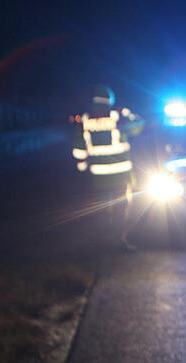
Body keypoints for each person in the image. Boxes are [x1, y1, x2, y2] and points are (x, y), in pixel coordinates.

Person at [72, 84, 144, 250]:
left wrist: (82, 164)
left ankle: (101, 242)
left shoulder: (85, 119)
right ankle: (119, 242)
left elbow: (78, 148)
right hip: (120, 175)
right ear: (110, 100)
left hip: (98, 176)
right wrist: (128, 114)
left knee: (101, 210)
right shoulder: (117, 117)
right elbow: (138, 126)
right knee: (121, 210)